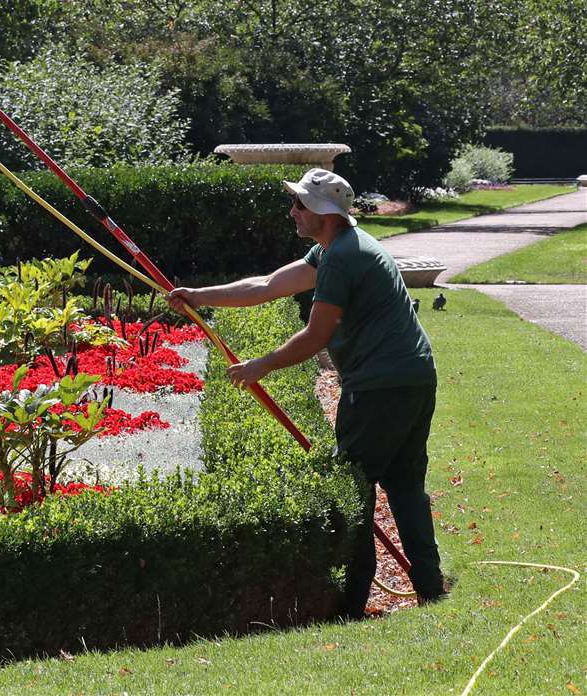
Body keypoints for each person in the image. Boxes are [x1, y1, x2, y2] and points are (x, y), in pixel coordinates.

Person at [166, 167, 446, 618]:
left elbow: (315, 336)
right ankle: (431, 589)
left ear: (323, 212)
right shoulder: (337, 248)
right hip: (413, 377)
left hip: (378, 388)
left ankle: (351, 604)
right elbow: (267, 286)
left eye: (299, 204)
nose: (292, 211)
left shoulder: (342, 258)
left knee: (352, 488)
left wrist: (261, 366)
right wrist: (199, 296)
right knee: (405, 484)